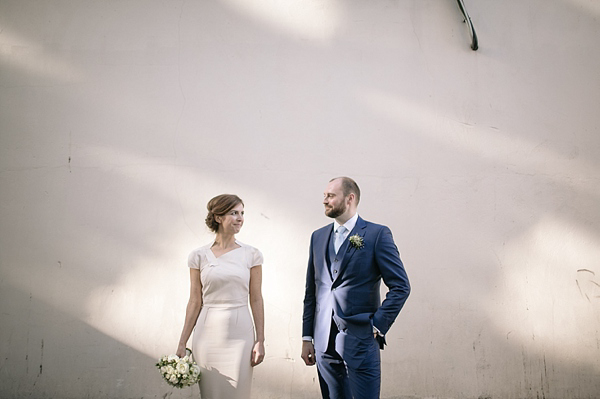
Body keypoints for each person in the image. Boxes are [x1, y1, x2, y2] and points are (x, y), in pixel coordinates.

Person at [301, 177, 410, 399]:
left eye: (330, 196)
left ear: (350, 198)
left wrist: (377, 325)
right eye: (324, 196)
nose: (325, 200)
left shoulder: (377, 234)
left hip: (361, 339)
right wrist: (307, 337)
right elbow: (312, 292)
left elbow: (401, 286)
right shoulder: (318, 237)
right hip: (323, 343)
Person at [176, 194, 265, 399]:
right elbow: (195, 301)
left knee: (239, 393)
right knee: (210, 394)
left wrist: (260, 340)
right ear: (218, 217)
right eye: (234, 213)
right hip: (207, 336)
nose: (240, 218)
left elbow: (256, 298)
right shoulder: (198, 256)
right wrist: (182, 342)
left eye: (242, 213)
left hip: (240, 334)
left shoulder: (251, 254)